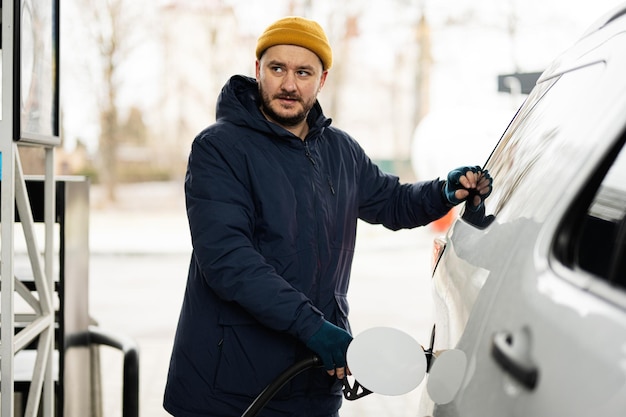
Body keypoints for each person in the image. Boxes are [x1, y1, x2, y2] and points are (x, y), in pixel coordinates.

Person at [163, 16, 492, 417]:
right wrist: (313, 327)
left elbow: (391, 202)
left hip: (314, 382)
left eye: (304, 72)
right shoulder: (219, 148)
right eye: (277, 68)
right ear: (257, 71)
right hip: (229, 388)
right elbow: (229, 260)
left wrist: (442, 191)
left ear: (322, 80)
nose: (289, 84)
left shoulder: (340, 151)